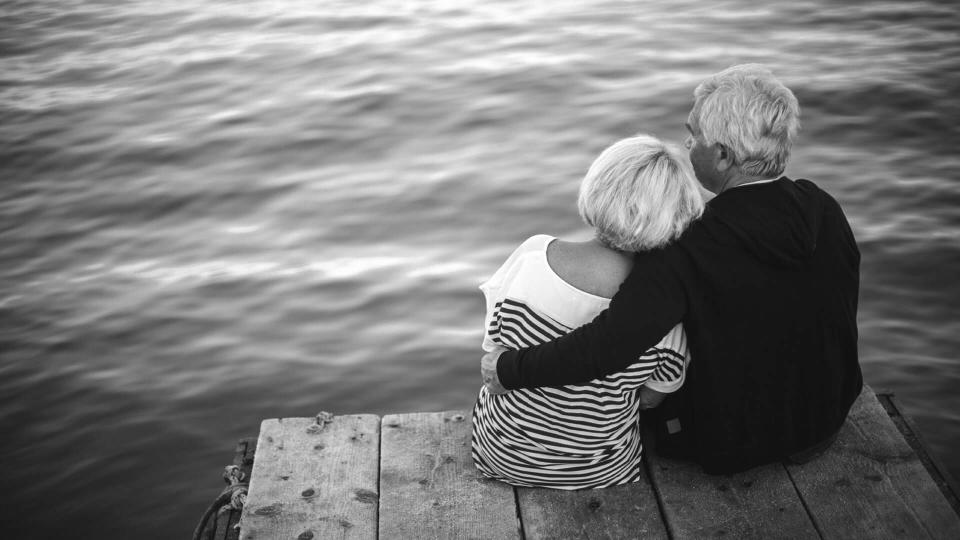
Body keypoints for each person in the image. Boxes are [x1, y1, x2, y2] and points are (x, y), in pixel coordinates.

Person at [481, 64, 863, 475]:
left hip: (736, 441)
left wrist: (508, 369)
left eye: (693, 133)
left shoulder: (690, 245)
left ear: (723, 155)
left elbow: (609, 345)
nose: (687, 142)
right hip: (826, 416)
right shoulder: (823, 207)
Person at [471, 134, 704, 489]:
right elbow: (651, 398)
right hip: (598, 471)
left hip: (500, 453)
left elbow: (492, 347)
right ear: (676, 217)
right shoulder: (664, 313)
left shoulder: (533, 256)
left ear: (596, 189)